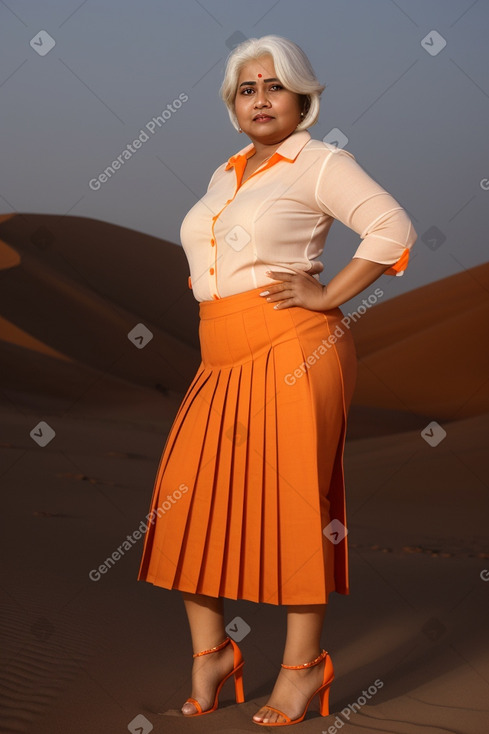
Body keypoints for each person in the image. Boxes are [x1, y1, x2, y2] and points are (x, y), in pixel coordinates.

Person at [137, 34, 417, 726]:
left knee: (294, 511)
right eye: (245, 89)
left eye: (273, 86)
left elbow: (390, 228)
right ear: (232, 106)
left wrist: (329, 296)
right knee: (185, 505)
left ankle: (302, 668)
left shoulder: (319, 163)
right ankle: (213, 656)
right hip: (220, 356)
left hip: (296, 350)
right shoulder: (224, 172)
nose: (259, 99)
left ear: (302, 96)